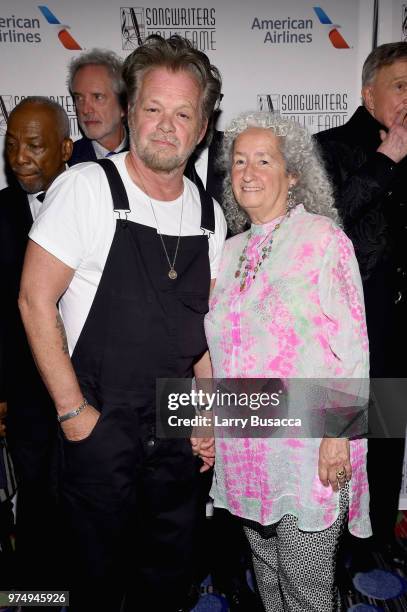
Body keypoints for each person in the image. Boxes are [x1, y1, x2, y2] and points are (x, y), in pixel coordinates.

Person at [18, 35, 226, 612]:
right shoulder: (86, 188)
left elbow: (204, 330)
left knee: (167, 574)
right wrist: (72, 412)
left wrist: (206, 416)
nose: (166, 125)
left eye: (182, 112)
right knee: (91, 581)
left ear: (203, 126)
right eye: (153, 109)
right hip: (99, 422)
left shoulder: (211, 213)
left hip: (177, 428)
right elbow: (35, 300)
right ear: (131, 113)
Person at [204, 111, 371, 612]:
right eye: (238, 162)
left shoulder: (323, 240)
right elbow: (218, 349)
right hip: (248, 450)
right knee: (269, 580)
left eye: (264, 160)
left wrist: (337, 436)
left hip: (307, 450)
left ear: (292, 173)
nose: (248, 172)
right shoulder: (228, 252)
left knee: (306, 588)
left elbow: (353, 345)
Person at [315, 42, 407, 568]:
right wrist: (386, 160)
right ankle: (335, 547)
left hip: (398, 322)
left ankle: (377, 543)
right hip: (346, 325)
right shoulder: (327, 148)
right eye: (400, 86)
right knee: (343, 436)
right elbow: (323, 227)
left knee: (390, 435)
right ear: (368, 94)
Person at [0, 97, 73, 592]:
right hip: (24, 392)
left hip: (91, 390)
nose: (20, 156)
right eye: (10, 144)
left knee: (87, 502)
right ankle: (37, 596)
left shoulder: (98, 205)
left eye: (34, 145)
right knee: (35, 503)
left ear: (66, 149)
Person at [67, 48, 128, 164]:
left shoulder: (147, 154)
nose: (85, 110)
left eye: (97, 97)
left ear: (123, 106)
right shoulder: (67, 162)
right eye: (79, 98)